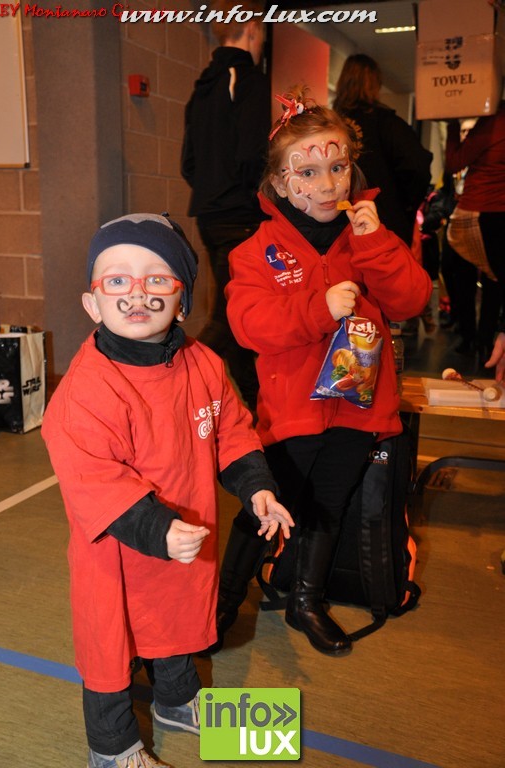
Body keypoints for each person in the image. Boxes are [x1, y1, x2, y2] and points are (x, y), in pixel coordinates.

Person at [41, 213, 293, 768]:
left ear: (182, 302)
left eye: (156, 278)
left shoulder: (204, 363)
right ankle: (113, 748)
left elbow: (231, 431)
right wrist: (158, 529)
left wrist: (256, 486)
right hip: (118, 550)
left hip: (185, 535)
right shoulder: (84, 392)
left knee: (179, 622)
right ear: (92, 303)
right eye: (117, 280)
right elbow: (94, 480)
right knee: (110, 648)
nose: (137, 293)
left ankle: (177, 702)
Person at [215, 87, 432, 658]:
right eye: (308, 172)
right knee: (269, 505)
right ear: (281, 183)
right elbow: (249, 325)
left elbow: (411, 299)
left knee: (328, 505)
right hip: (292, 410)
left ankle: (306, 600)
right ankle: (225, 598)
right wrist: (318, 309)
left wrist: (376, 244)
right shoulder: (255, 252)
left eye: (337, 167)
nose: (328, 183)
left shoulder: (370, 236)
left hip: (359, 405)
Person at [181, 0, 270, 413]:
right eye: (262, 31)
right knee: (230, 318)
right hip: (241, 216)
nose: (262, 40)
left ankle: (259, 407)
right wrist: (251, 195)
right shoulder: (249, 80)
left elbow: (188, 163)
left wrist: (214, 191)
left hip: (210, 216)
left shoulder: (202, 87)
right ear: (251, 28)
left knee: (236, 316)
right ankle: (172, 380)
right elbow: (253, 154)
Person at [333, 53, 433, 249]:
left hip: (337, 220)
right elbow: (417, 165)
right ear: (375, 84)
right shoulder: (388, 123)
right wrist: (406, 204)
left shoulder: (330, 125)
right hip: (384, 219)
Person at [445, 102, 505, 367]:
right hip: (496, 212)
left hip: (479, 211)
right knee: (494, 280)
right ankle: (484, 339)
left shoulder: (494, 121)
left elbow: (454, 162)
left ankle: (471, 337)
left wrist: (452, 123)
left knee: (460, 275)